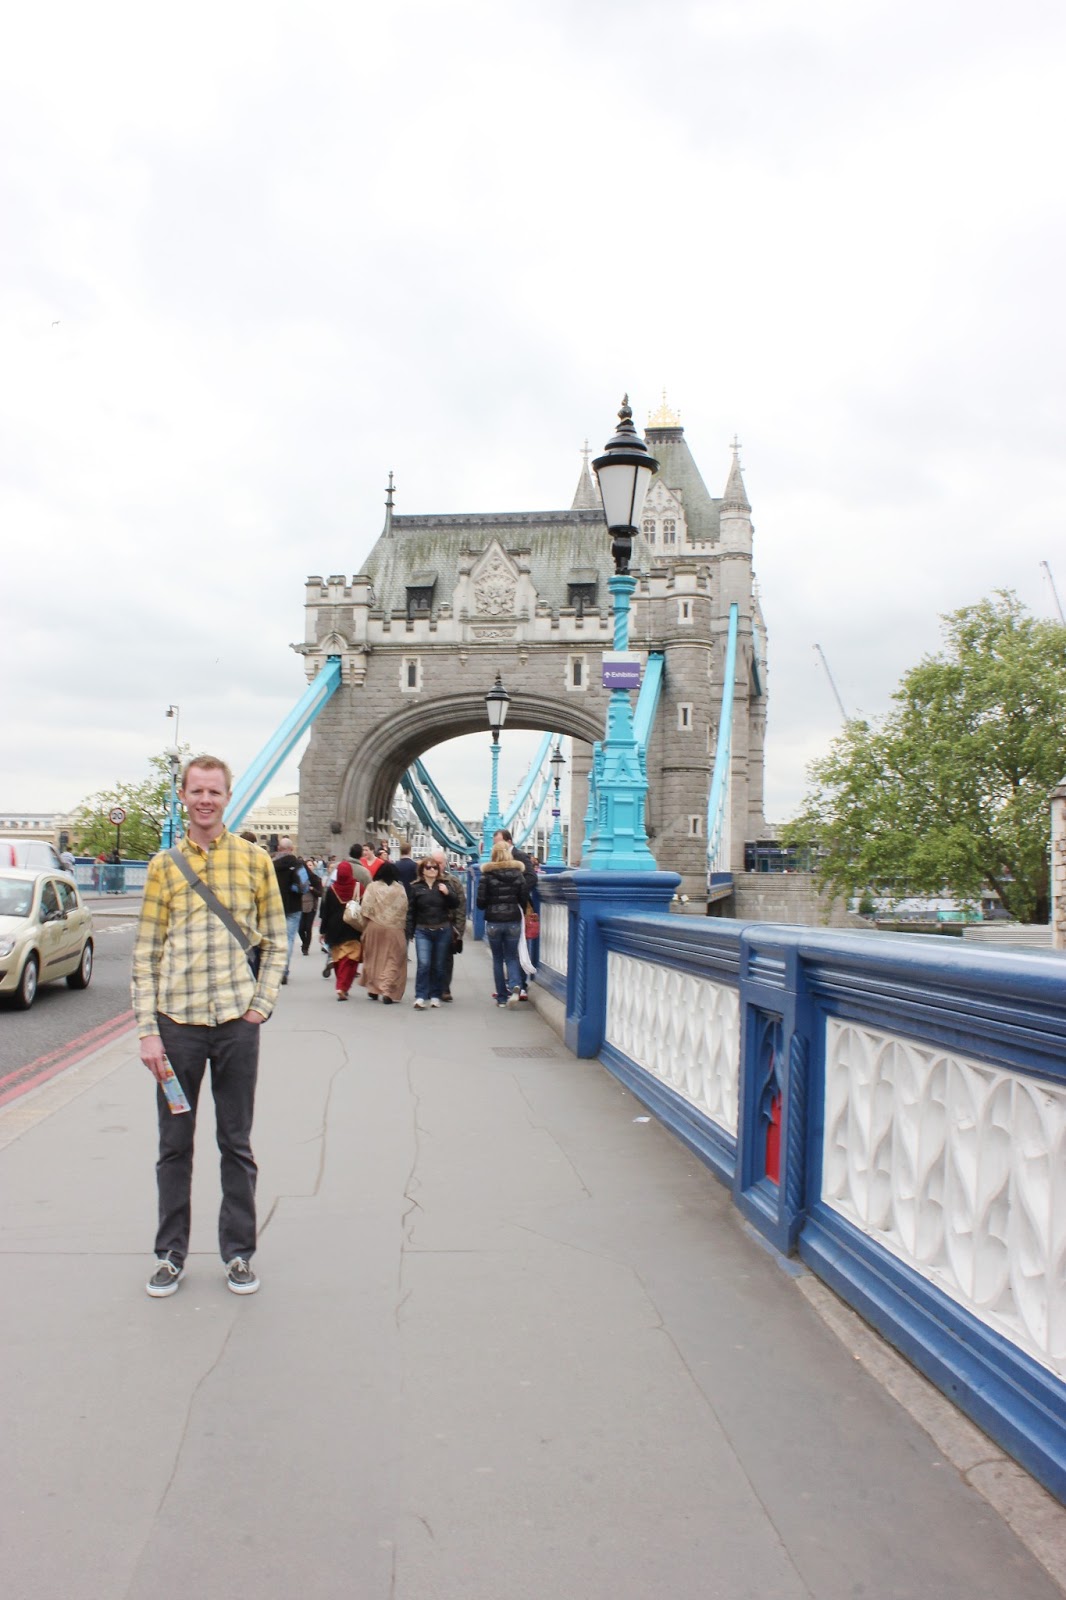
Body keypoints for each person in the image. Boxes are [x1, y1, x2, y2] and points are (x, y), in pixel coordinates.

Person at [131, 754, 286, 1299]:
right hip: (176, 1028)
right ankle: (170, 1254)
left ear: (227, 797)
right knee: (174, 1145)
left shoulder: (254, 860)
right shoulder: (163, 866)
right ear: (184, 796)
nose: (205, 800)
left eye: (214, 792)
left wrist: (259, 1007)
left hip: (236, 1025)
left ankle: (238, 1254)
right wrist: (147, 1031)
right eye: (196, 791)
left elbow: (276, 938)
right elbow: (147, 952)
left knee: (235, 1142)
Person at [477, 840, 529, 1007]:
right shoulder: (518, 875)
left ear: (493, 855)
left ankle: (501, 997)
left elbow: (480, 902)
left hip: (493, 921)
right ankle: (515, 984)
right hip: (513, 920)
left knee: (498, 959)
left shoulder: (486, 876)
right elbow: (523, 899)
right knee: (512, 957)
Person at [406, 856, 459, 1009]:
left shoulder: (445, 885)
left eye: (434, 867)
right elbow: (411, 911)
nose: (432, 870)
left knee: (439, 965)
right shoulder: (416, 887)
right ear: (422, 870)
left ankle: (435, 995)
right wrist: (410, 932)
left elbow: (456, 904)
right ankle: (420, 996)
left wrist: (447, 893)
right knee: (423, 963)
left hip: (443, 929)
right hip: (423, 930)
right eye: (428, 867)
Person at [494, 827, 537, 997]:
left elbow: (532, 877)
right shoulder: (497, 860)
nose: (496, 846)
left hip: (519, 908)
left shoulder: (519, 856)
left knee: (519, 947)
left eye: (499, 842)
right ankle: (514, 985)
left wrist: (517, 894)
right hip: (504, 910)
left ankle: (521, 985)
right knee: (510, 950)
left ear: (509, 841)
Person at [356, 862, 409, 1003]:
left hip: (374, 927)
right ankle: (387, 991)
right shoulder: (400, 890)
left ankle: (373, 989)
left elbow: (365, 909)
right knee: (393, 959)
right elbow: (405, 910)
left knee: (374, 958)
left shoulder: (372, 887)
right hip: (395, 929)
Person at [318, 860, 363, 1000]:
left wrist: (323, 931)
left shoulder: (332, 889)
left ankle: (340, 985)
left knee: (337, 957)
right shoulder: (359, 887)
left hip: (334, 928)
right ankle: (343, 986)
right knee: (350, 959)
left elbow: (325, 912)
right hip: (352, 927)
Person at [429, 848, 466, 1002]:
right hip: (429, 924)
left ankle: (444, 988)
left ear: (445, 864)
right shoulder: (425, 881)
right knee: (430, 958)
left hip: (448, 925)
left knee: (447, 958)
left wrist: (459, 929)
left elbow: (461, 906)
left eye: (440, 863)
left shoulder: (453, 882)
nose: (437, 866)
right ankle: (432, 987)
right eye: (435, 863)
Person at [272, 835, 306, 984]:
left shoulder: (270, 864)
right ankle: (284, 969)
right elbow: (304, 887)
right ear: (291, 849)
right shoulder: (298, 865)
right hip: (293, 906)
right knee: (289, 938)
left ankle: (274, 968)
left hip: (274, 906)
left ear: (279, 849)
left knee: (274, 939)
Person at [298, 857, 323, 955]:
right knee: (300, 929)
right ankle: (304, 942)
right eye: (307, 865)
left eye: (310, 865)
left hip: (311, 906)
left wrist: (312, 889)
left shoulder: (316, 879)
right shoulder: (299, 879)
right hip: (301, 906)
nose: (308, 867)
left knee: (308, 927)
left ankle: (306, 947)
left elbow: (320, 893)